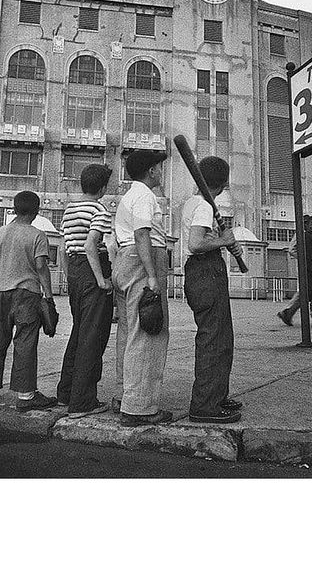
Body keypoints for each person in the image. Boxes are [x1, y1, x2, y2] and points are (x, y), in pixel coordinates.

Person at [0, 191, 58, 410]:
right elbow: (41, 266)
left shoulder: (0, 233)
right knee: (25, 342)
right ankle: (26, 396)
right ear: (37, 210)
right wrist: (48, 297)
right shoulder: (38, 235)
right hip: (27, 295)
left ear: (14, 208)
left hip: (1, 294)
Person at [181, 156, 244, 424]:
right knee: (214, 339)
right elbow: (195, 244)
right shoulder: (205, 205)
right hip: (205, 271)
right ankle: (205, 405)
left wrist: (223, 241)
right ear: (225, 182)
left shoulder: (193, 203)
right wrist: (223, 240)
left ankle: (216, 396)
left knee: (220, 337)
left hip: (201, 272)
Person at [112, 149, 172, 427]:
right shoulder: (145, 196)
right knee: (148, 332)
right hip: (142, 260)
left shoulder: (128, 196)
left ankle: (124, 396)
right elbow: (141, 233)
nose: (161, 172)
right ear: (150, 171)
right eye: (159, 168)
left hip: (125, 260)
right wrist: (151, 275)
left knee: (128, 331)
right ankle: (139, 408)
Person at [56, 163, 115, 419]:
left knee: (79, 332)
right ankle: (82, 402)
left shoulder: (70, 209)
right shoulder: (99, 209)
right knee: (93, 336)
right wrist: (101, 279)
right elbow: (92, 245)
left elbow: (61, 248)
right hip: (93, 270)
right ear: (102, 188)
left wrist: (71, 275)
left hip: (76, 271)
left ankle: (66, 392)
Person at [278, 215, 312, 328]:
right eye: (310, 224)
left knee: (310, 292)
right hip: (307, 267)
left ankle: (289, 313)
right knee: (307, 292)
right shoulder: (300, 235)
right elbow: (292, 249)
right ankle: (289, 312)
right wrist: (304, 259)